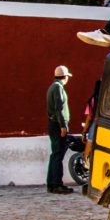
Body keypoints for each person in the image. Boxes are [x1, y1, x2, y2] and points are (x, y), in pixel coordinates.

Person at [47, 65, 74, 194]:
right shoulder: (58, 88)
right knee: (58, 155)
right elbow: (59, 108)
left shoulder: (53, 86)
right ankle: (57, 184)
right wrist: (63, 125)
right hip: (57, 124)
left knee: (55, 154)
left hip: (53, 123)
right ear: (65, 77)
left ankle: (51, 183)